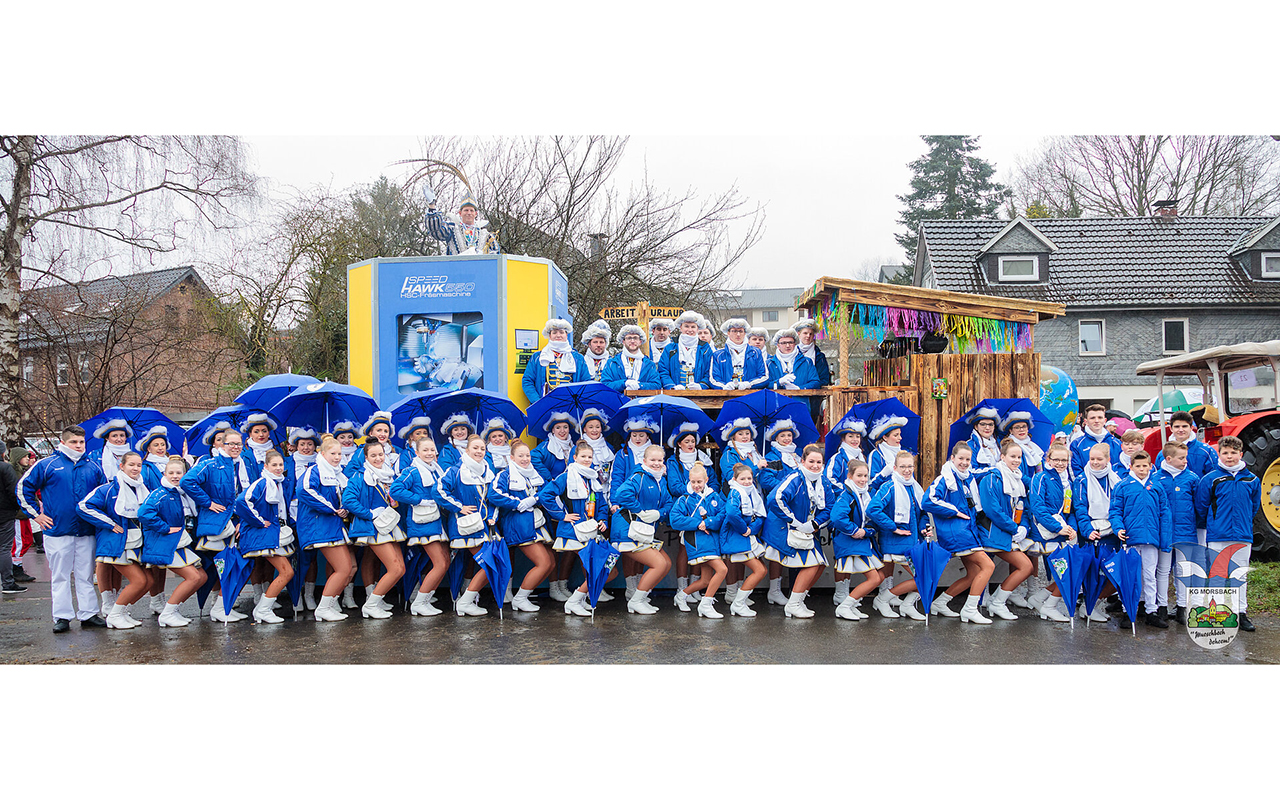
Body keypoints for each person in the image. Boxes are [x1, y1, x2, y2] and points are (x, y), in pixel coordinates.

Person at [18, 425, 108, 631]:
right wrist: (36, 515)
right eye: (73, 442)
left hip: (86, 530)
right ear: (64, 442)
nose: (78, 446)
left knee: (85, 574)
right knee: (60, 575)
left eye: (81, 442)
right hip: (57, 530)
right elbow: (23, 488)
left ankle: (89, 614)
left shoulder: (93, 466)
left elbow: (102, 495)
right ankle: (62, 616)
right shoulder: (47, 464)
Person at [181, 429, 254, 622]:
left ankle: (223, 606)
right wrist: (208, 503)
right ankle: (218, 608)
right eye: (231, 444)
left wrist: (243, 520)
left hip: (237, 524)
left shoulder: (243, 464)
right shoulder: (210, 464)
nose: (235, 447)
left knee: (237, 565)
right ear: (222, 445)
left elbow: (246, 496)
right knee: (222, 566)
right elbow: (187, 481)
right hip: (217, 524)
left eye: (238, 444)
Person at [75, 450, 151, 628]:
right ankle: (114, 613)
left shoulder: (142, 488)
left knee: (149, 581)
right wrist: (109, 523)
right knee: (139, 581)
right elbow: (83, 506)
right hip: (115, 542)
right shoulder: (108, 489)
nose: (135, 468)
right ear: (121, 466)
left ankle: (120, 610)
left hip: (135, 543)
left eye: (138, 465)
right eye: (131, 464)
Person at [1193, 434, 1260, 633]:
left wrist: (1244, 523)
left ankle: (1240, 613)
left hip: (1242, 536)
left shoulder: (1252, 479)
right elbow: (1202, 506)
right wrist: (1214, 526)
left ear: (1241, 454)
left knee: (1240, 575)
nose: (1229, 456)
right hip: (1217, 535)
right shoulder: (1210, 479)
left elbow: (1254, 506)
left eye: (1233, 453)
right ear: (1219, 454)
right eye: (1225, 453)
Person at [921, 443, 994, 624]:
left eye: (968, 459)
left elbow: (986, 471)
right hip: (957, 533)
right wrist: (952, 510)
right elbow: (928, 501)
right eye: (960, 458)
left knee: (972, 574)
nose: (964, 462)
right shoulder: (945, 479)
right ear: (952, 458)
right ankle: (970, 609)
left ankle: (941, 602)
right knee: (988, 566)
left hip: (968, 531)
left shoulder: (967, 477)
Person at [762, 443, 834, 618]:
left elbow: (830, 506)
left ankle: (797, 600)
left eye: (819, 462)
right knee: (813, 564)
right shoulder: (795, 477)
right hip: (785, 529)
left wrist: (815, 524)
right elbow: (775, 498)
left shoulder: (823, 481)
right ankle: (793, 604)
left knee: (818, 565)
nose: (815, 465)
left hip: (807, 531)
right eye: (811, 461)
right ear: (802, 461)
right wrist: (794, 521)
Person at [538, 441, 609, 617]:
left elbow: (601, 505)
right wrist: (562, 515)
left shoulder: (593, 478)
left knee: (599, 568)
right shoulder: (566, 476)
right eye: (583, 456)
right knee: (598, 567)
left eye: (590, 457)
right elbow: (545, 495)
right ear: (575, 458)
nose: (587, 460)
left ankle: (578, 599)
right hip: (573, 531)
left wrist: (602, 520)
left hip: (591, 530)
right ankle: (574, 601)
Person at [136, 457, 207, 627]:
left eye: (179, 473)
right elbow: (144, 514)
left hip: (179, 542)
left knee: (202, 576)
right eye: (171, 473)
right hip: (165, 543)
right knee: (193, 577)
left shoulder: (182, 493)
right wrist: (165, 528)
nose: (175, 476)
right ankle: (167, 614)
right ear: (164, 474)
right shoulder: (160, 494)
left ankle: (173, 609)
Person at [341, 440, 408, 619]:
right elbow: (348, 500)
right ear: (366, 457)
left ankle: (376, 600)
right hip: (374, 528)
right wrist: (371, 514)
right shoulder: (360, 475)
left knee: (400, 568)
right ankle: (370, 605)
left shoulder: (388, 475)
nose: (378, 458)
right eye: (373, 455)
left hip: (389, 526)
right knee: (395, 568)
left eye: (380, 454)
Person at [435, 436, 499, 617]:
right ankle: (465, 602)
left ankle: (466, 600)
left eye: (482, 449)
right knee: (490, 564)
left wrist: (492, 516)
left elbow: (492, 499)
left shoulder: (488, 471)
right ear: (467, 450)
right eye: (475, 448)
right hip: (465, 528)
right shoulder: (456, 470)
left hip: (483, 527)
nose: (479, 452)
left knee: (488, 564)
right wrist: (458, 506)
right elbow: (438, 490)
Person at [489, 440, 554, 613]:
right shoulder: (504, 475)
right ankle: (521, 598)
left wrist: (536, 499)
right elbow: (493, 494)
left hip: (536, 524)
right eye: (521, 456)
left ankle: (521, 596)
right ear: (512, 457)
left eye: (527, 455)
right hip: (519, 525)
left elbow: (546, 491)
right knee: (544, 562)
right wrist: (518, 504)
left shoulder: (534, 473)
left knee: (550, 563)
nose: (525, 459)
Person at [389, 437, 450, 617]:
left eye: (432, 450)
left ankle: (425, 599)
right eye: (425, 450)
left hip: (438, 523)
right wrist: (420, 501)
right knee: (440, 563)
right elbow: (395, 490)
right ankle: (419, 603)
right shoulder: (413, 470)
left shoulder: (437, 471)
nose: (430, 453)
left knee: (444, 562)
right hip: (423, 523)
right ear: (417, 453)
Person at [296, 438, 356, 622]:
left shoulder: (339, 473)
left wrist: (344, 507)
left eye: (339, 454)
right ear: (322, 454)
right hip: (319, 526)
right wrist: (332, 508)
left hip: (334, 526)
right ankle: (323, 608)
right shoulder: (313, 471)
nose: (337, 457)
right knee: (344, 568)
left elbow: (343, 497)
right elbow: (304, 490)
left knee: (351, 568)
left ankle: (329, 605)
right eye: (333, 454)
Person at [1109, 451, 1171, 628]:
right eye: (1138, 466)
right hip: (1131, 539)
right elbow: (1115, 511)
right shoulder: (1123, 486)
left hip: (1151, 539)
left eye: (1145, 466)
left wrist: (1164, 539)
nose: (1142, 469)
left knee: (1149, 576)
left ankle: (1151, 610)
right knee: (1131, 576)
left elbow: (1164, 513)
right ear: (1131, 467)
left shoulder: (1157, 486)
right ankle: (1129, 609)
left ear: (1151, 466)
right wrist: (1118, 528)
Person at [233, 450, 296, 624]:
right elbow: (242, 501)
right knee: (286, 572)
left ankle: (263, 608)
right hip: (265, 535)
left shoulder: (279, 483)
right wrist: (260, 521)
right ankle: (262, 609)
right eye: (274, 465)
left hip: (275, 534)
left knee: (285, 571)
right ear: (266, 466)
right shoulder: (261, 483)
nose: (278, 468)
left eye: (281, 465)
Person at [610, 444, 673, 614]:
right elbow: (621, 494)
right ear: (644, 460)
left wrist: (658, 514)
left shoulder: (660, 479)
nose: (656, 463)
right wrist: (640, 511)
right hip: (626, 531)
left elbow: (668, 503)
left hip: (643, 532)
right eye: (653, 460)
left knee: (666, 563)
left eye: (660, 460)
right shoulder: (639, 476)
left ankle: (642, 596)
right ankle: (635, 601)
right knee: (659, 564)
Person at [976, 439, 1035, 621]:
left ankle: (996, 601)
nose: (1016, 460)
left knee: (1027, 565)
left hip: (1008, 533)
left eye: (1019, 457)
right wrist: (1013, 528)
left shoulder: (1017, 479)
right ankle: (997, 602)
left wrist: (1024, 527)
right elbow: (992, 510)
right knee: (1026, 566)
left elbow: (1022, 507)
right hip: (992, 533)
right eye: (1012, 456)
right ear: (1002, 457)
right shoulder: (992, 478)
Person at [866, 451, 929, 620]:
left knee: (925, 576)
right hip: (897, 543)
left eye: (910, 466)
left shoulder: (915, 486)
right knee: (923, 576)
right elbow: (872, 509)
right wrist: (893, 527)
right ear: (895, 468)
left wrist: (924, 528)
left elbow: (922, 514)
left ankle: (906, 605)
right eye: (903, 467)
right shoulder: (890, 486)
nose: (907, 470)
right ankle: (882, 599)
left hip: (913, 542)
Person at [1026, 443, 1077, 622]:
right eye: (1056, 459)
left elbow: (1070, 510)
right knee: (1066, 571)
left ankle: (1040, 600)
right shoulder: (1040, 478)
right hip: (1044, 534)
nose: (1060, 463)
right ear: (1048, 459)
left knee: (1069, 571)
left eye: (1064, 460)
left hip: (1061, 533)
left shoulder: (1067, 482)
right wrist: (1057, 527)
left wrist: (1072, 529)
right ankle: (1050, 606)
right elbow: (1038, 507)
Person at [668, 463, 727, 618]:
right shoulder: (684, 499)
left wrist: (707, 523)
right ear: (689, 480)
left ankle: (681, 596)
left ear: (706, 480)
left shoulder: (714, 496)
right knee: (722, 570)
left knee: (705, 580)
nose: (696, 485)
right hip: (697, 541)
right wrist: (697, 524)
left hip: (712, 541)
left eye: (699, 482)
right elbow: (675, 520)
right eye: (693, 482)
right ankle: (706, 605)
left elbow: (722, 515)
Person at [830, 460, 885, 621]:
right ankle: (844, 606)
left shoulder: (865, 494)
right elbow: (837, 517)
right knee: (875, 578)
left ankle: (850, 604)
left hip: (862, 542)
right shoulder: (847, 495)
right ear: (849, 476)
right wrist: (854, 531)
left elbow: (872, 519)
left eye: (866, 476)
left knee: (879, 576)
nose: (863, 479)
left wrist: (867, 531)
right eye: (859, 475)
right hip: (849, 542)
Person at [1072, 442, 1121, 623]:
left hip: (1112, 532)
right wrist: (1087, 530)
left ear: (1108, 459)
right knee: (1092, 573)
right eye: (1092, 459)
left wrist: (1118, 527)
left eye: (1099, 459)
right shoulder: (1081, 480)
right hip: (1092, 533)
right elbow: (1080, 508)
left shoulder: (1116, 479)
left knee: (1112, 573)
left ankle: (1094, 603)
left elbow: (1119, 506)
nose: (1095, 462)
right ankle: (1088, 607)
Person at [1155, 440, 1199, 625]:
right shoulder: (1157, 478)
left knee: (1183, 570)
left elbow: (1199, 505)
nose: (1185, 461)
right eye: (1181, 458)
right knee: (1163, 570)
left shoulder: (1191, 478)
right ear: (1169, 458)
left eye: (1186, 457)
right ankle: (1162, 607)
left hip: (1185, 531)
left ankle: (1182, 607)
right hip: (1164, 532)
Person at [718, 462, 769, 616]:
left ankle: (738, 601)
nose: (747, 481)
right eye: (743, 479)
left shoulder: (752, 492)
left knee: (760, 570)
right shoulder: (735, 492)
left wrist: (752, 529)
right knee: (760, 570)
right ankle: (738, 603)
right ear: (735, 479)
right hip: (738, 537)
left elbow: (759, 514)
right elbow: (732, 513)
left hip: (747, 537)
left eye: (749, 478)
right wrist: (744, 529)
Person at [522, 319, 591, 404]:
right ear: (550, 336)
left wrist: (577, 401)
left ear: (566, 335)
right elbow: (527, 381)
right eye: (554, 332)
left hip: (570, 404)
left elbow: (586, 383)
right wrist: (537, 401)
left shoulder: (578, 358)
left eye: (561, 332)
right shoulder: (537, 357)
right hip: (545, 404)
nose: (558, 335)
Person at [422, 187, 500, 255]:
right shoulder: (452, 229)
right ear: (460, 213)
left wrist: (484, 256)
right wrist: (432, 205)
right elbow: (437, 231)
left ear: (476, 214)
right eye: (466, 210)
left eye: (471, 211)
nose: (469, 213)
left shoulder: (485, 235)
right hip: (456, 270)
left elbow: (495, 254)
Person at [659, 311, 714, 390]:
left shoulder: (705, 349)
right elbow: (663, 371)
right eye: (686, 326)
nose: (690, 329)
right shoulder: (670, 348)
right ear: (681, 327)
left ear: (697, 328)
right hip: (674, 395)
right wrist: (672, 387)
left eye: (693, 327)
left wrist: (701, 386)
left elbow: (710, 371)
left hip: (699, 395)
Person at [710, 318, 769, 391]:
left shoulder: (756, 353)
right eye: (734, 331)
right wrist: (724, 386)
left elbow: (764, 376)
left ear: (745, 333)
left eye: (740, 331)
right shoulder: (718, 355)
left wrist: (748, 384)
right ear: (728, 333)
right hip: (725, 397)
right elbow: (713, 379)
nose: (738, 334)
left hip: (750, 396)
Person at [7, 447, 37, 586]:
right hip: (17, 514)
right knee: (19, 542)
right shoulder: (13, 473)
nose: (28, 459)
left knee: (27, 540)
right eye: (25, 456)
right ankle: (15, 568)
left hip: (23, 513)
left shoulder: (21, 472)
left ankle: (16, 565)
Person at [603, 324, 662, 392]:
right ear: (623, 341)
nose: (632, 341)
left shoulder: (649, 364)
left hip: (642, 402)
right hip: (619, 401)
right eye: (629, 338)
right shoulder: (612, 363)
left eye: (635, 338)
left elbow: (656, 385)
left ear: (640, 341)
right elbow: (605, 385)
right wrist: (624, 383)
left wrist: (640, 386)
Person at [1155, 411, 1215, 477]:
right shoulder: (1163, 454)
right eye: (1177, 427)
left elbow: (1214, 478)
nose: (1181, 430)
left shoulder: (1206, 451)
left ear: (1191, 428)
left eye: (1184, 426)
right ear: (1171, 429)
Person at [1070, 404, 1121, 478]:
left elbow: (1120, 468)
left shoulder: (1116, 443)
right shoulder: (1077, 444)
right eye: (1092, 418)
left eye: (1100, 417)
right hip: (1088, 487)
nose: (1096, 421)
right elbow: (1076, 471)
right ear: (1086, 421)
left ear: (1105, 421)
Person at [0, 442, 22, 596]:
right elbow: (13, 491)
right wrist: (16, 507)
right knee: (4, 549)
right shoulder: (5, 468)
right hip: (5, 513)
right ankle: (8, 582)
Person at [532, 413, 577, 484]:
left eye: (565, 427)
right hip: (554, 489)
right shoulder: (547, 445)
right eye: (558, 428)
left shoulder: (573, 446)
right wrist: (548, 477)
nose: (562, 431)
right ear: (553, 430)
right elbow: (532, 457)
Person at [1001, 411, 1044, 480]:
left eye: (1024, 426)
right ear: (1011, 430)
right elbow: (1016, 472)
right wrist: (1033, 484)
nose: (1021, 430)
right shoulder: (1009, 447)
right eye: (1017, 427)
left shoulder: (1033, 446)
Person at [964, 406, 1003, 480]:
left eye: (991, 424)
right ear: (976, 426)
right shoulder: (969, 446)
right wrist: (994, 470)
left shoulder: (999, 444)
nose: (987, 428)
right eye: (983, 424)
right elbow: (969, 473)